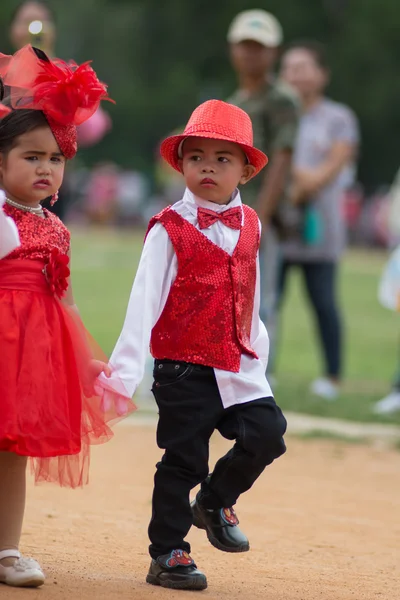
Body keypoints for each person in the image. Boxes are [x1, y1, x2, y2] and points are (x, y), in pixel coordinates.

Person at [96, 99, 287, 591]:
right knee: (183, 458)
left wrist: (256, 355)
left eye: (222, 159)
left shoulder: (252, 225)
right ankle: (168, 553)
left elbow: (251, 294)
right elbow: (144, 301)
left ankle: (214, 500)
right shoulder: (168, 228)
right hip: (182, 367)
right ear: (180, 164)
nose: (207, 166)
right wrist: (126, 374)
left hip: (237, 363)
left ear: (245, 170)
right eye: (196, 156)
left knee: (268, 432)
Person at [0, 45, 134, 588]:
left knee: (10, 451)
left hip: (27, 357)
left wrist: (88, 363)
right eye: (31, 156)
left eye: (56, 158)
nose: (46, 168)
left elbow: (66, 301)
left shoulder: (57, 230)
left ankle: (7, 549)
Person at [280, 40, 360, 400]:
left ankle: (332, 376)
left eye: (302, 68)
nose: (293, 76)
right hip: (278, 228)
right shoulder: (277, 113)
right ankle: (262, 371)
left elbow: (334, 164)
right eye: (288, 69)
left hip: (321, 230)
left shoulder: (339, 118)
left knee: (324, 303)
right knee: (266, 303)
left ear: (321, 75)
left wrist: (296, 178)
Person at [227, 9, 300, 376]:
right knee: (231, 295)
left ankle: (261, 378)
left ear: (273, 53)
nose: (251, 54)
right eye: (245, 46)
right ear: (233, 50)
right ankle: (233, 368)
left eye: (259, 47)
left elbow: (281, 160)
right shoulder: (235, 99)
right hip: (232, 215)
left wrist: (262, 218)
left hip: (260, 216)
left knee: (262, 297)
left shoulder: (281, 100)